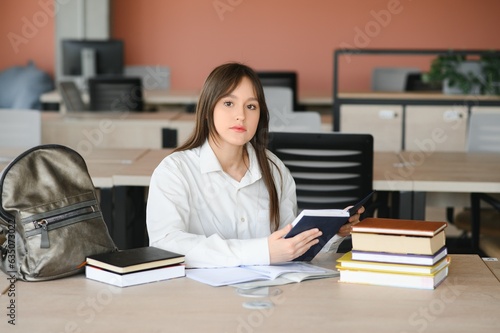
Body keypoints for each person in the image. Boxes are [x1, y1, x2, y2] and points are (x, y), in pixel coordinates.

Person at [146, 62, 364, 268]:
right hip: (200, 299)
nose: (241, 115)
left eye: (251, 106)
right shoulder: (175, 171)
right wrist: (261, 252)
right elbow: (166, 244)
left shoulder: (274, 169)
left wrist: (332, 231)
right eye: (228, 103)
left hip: (264, 293)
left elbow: (290, 246)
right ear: (207, 110)